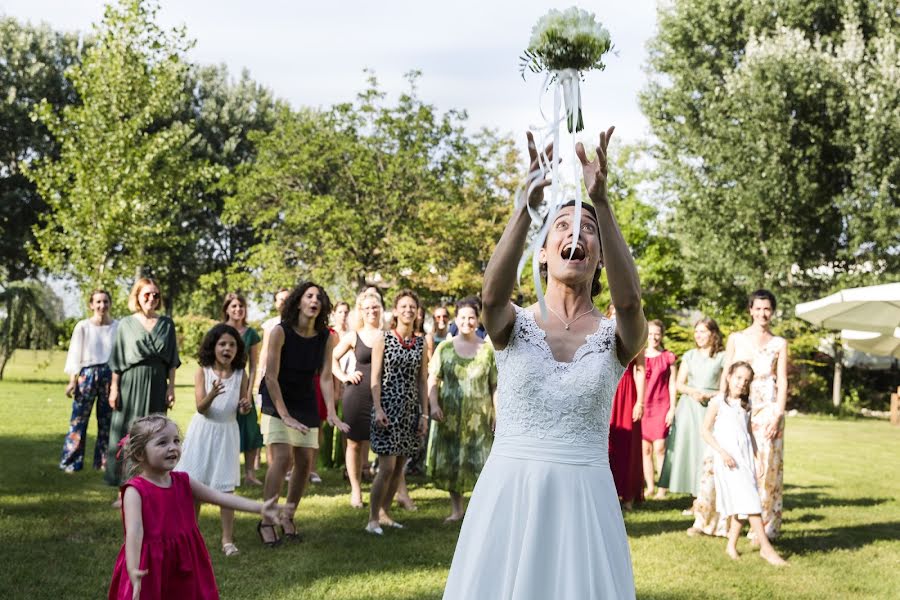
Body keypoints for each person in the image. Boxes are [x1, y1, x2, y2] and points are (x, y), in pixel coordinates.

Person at [443, 128, 646, 598]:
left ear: (598, 258)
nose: (576, 233)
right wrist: (527, 204)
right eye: (563, 226)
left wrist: (603, 203)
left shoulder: (615, 336)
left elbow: (632, 303)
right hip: (511, 493)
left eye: (587, 230)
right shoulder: (513, 323)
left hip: (585, 500)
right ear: (542, 254)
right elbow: (491, 294)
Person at [108, 415, 285, 599]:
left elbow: (219, 497)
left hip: (185, 558)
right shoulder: (135, 491)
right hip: (151, 563)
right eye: (162, 443)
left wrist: (259, 508)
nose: (173, 447)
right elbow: (135, 532)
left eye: (176, 440)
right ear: (139, 454)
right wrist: (133, 568)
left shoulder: (183, 481)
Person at [258, 282, 349, 545]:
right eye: (309, 296)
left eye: (319, 297)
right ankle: (266, 519)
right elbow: (271, 377)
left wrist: (331, 412)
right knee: (283, 458)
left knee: (305, 463)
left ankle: (288, 515)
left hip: (306, 400)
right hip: (278, 398)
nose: (315, 300)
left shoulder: (326, 337)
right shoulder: (279, 332)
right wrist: (284, 415)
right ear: (298, 302)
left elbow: (324, 378)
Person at [176, 324, 252, 556]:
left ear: (237, 350)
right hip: (203, 432)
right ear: (213, 347)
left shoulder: (241, 375)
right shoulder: (203, 371)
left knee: (226, 488)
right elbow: (201, 408)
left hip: (227, 433)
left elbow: (242, 408)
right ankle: (190, 537)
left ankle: (227, 541)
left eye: (232, 345)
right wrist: (212, 393)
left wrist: (245, 406)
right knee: (194, 485)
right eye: (222, 344)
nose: (227, 348)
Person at [701, 362, 787, 565]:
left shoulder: (746, 405)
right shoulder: (717, 403)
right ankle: (766, 548)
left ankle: (731, 545)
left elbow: (748, 433)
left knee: (744, 501)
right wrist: (722, 453)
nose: (741, 383)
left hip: (745, 458)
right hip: (729, 460)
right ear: (729, 377)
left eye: (746, 380)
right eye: (738, 378)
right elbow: (705, 431)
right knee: (750, 502)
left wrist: (757, 457)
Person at [721, 289, 788, 540]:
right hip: (740, 406)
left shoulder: (780, 343)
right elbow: (726, 373)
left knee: (766, 465)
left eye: (767, 309)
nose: (762, 313)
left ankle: (764, 526)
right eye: (758, 308)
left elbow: (782, 379)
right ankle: (729, 523)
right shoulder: (736, 339)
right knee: (738, 463)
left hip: (768, 409)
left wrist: (778, 414)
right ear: (750, 310)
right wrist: (722, 404)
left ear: (772, 311)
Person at [105, 278, 180, 490]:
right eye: (147, 294)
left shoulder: (166, 324)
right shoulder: (126, 324)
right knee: (129, 432)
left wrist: (171, 387)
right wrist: (114, 388)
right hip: (130, 385)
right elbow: (117, 359)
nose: (151, 298)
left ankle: (153, 484)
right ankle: (125, 487)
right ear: (137, 296)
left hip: (157, 384)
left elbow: (172, 360)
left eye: (156, 295)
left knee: (156, 433)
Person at [427, 298, 497, 521]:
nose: (467, 321)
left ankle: (479, 512)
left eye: (472, 317)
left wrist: (498, 414)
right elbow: (433, 380)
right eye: (463, 317)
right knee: (453, 460)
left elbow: (495, 385)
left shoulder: (488, 350)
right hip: (450, 416)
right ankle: (457, 510)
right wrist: (434, 404)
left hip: (480, 417)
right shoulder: (444, 348)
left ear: (478, 320)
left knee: (481, 462)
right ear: (456, 320)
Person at [366, 289, 429, 534]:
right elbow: (375, 378)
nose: (408, 310)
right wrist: (378, 407)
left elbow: (422, 380)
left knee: (399, 467)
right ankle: (372, 518)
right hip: (387, 410)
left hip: (410, 412)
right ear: (395, 310)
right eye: (403, 306)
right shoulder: (384, 339)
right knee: (387, 468)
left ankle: (385, 513)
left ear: (417, 312)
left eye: (412, 306)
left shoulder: (421, 342)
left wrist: (423, 414)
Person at [658, 318, 725, 505]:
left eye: (703, 331)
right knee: (691, 450)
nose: (699, 335)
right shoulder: (689, 355)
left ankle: (708, 496)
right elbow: (679, 384)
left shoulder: (722, 356)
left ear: (713, 334)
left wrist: (711, 395)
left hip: (711, 408)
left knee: (707, 450)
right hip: (689, 407)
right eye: (696, 332)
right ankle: (695, 498)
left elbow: (726, 386)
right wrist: (693, 392)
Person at [332, 290, 383, 508]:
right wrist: (344, 376)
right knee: (353, 443)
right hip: (357, 394)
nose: (372, 311)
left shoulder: (387, 334)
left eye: (375, 307)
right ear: (361, 311)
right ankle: (356, 491)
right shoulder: (354, 336)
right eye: (367, 308)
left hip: (382, 395)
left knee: (384, 445)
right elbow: (331, 359)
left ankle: (390, 490)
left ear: (381, 309)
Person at [60, 289, 118, 472]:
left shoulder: (117, 326)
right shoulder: (83, 326)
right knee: (78, 420)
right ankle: (71, 462)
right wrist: (72, 381)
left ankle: (103, 462)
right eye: (98, 302)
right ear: (91, 305)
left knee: (107, 422)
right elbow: (74, 354)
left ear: (110, 304)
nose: (102, 305)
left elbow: (119, 355)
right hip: (87, 375)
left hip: (109, 375)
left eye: (105, 301)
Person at [222, 292, 264, 486]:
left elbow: (254, 365)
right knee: (225, 427)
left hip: (243, 383)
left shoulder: (251, 334)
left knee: (250, 429)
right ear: (227, 309)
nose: (238, 309)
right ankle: (227, 472)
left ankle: (249, 474)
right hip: (223, 383)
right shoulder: (220, 331)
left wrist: (248, 392)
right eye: (233, 306)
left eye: (241, 306)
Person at [607, 303, 646, 511]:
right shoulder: (601, 332)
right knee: (606, 444)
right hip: (607, 390)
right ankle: (607, 493)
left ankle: (628, 495)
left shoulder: (636, 336)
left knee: (627, 443)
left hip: (627, 391)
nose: (616, 316)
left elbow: (640, 369)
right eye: (613, 312)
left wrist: (640, 401)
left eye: (619, 312)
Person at [641, 319, 677, 499]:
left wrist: (672, 409)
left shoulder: (668, 356)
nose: (654, 337)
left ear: (662, 335)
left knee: (660, 448)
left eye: (657, 333)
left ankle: (663, 488)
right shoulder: (640, 355)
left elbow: (672, 384)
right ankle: (650, 487)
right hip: (643, 406)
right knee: (645, 449)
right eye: (650, 333)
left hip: (662, 406)